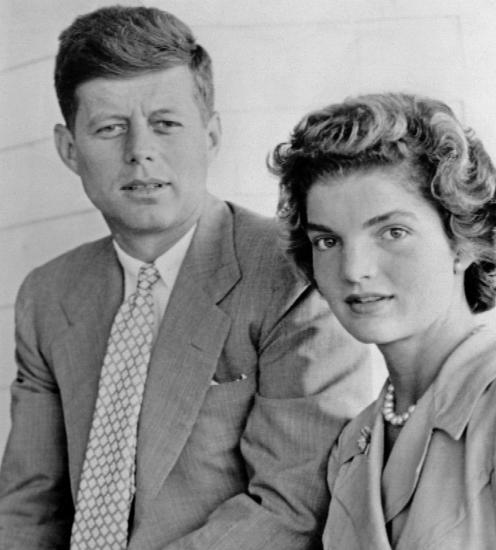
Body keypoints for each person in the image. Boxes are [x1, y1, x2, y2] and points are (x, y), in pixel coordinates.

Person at [0, 6, 372, 550]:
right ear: (68, 149)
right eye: (109, 128)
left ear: (211, 135)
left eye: (166, 124)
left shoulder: (291, 271)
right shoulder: (48, 294)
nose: (140, 152)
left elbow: (291, 509)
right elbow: (28, 506)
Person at [270, 92, 496, 549]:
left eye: (392, 233)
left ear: (462, 241)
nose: (354, 269)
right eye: (328, 241)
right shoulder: (353, 446)